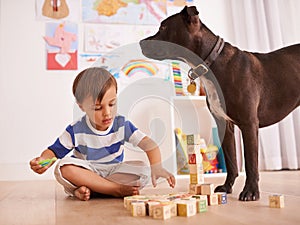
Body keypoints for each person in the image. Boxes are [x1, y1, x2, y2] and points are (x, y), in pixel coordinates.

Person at [30, 67, 176, 201]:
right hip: (87, 172)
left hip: (113, 171)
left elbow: (148, 144)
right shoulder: (75, 129)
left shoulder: (121, 124)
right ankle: (113, 190)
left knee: (143, 169)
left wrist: (157, 166)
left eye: (112, 104)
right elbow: (54, 152)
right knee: (63, 167)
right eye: (97, 108)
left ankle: (92, 190)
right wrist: (44, 160)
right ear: (81, 107)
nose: (107, 113)